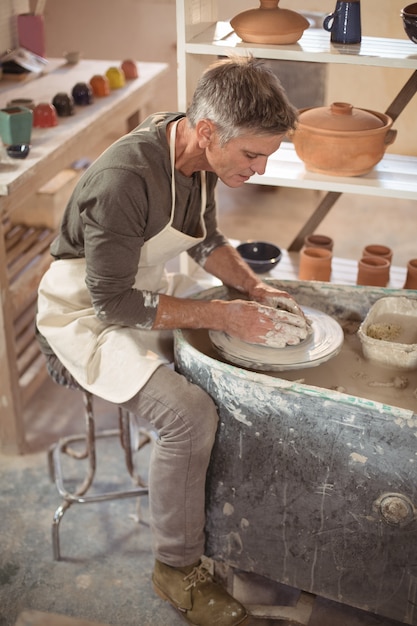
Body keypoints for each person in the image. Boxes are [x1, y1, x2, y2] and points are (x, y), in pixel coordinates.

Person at [36, 55, 308, 626]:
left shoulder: (194, 148)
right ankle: (176, 567)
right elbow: (112, 303)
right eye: (252, 155)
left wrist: (256, 291)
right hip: (87, 312)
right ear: (208, 131)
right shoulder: (123, 181)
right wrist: (225, 317)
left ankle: (228, 525)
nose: (258, 170)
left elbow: (207, 240)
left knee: (236, 362)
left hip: (147, 285)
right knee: (188, 414)